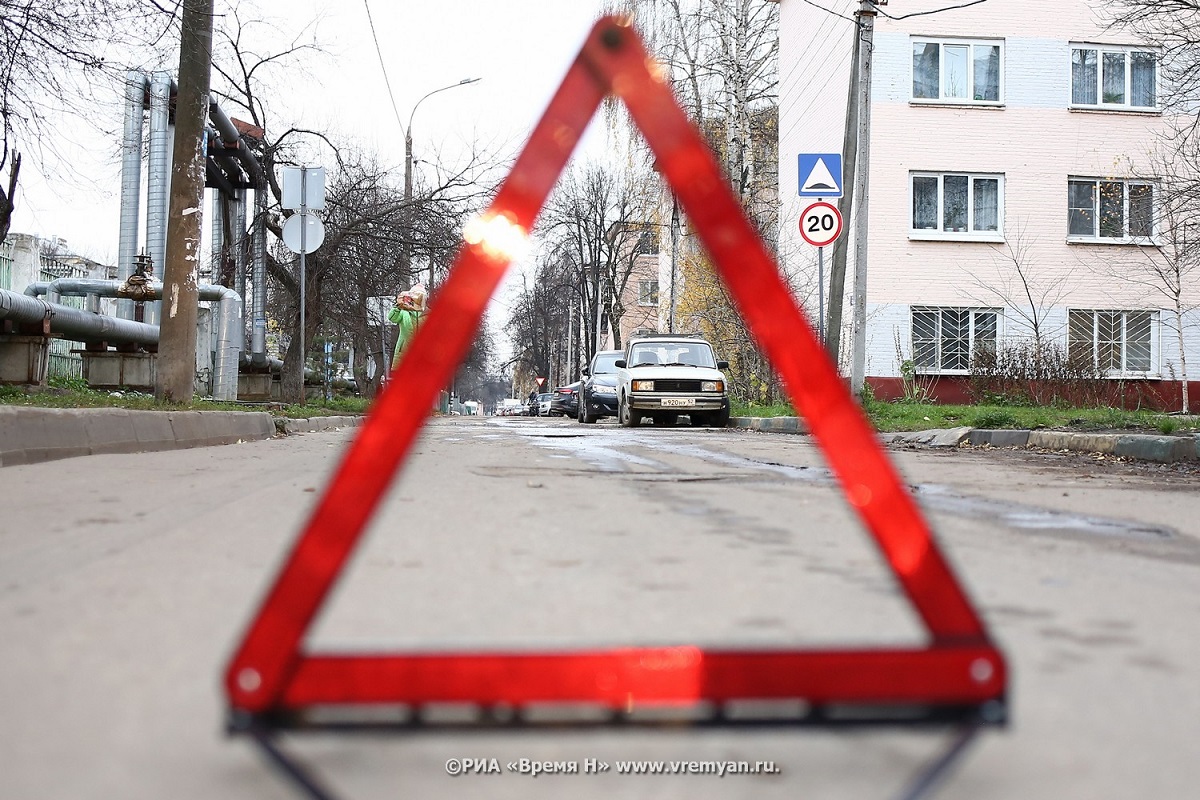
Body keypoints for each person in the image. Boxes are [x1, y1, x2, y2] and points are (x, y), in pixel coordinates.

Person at [387, 283, 427, 367]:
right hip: (404, 353)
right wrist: (398, 306)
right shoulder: (404, 312)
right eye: (415, 295)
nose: (417, 298)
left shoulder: (429, 314)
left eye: (420, 295)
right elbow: (392, 317)